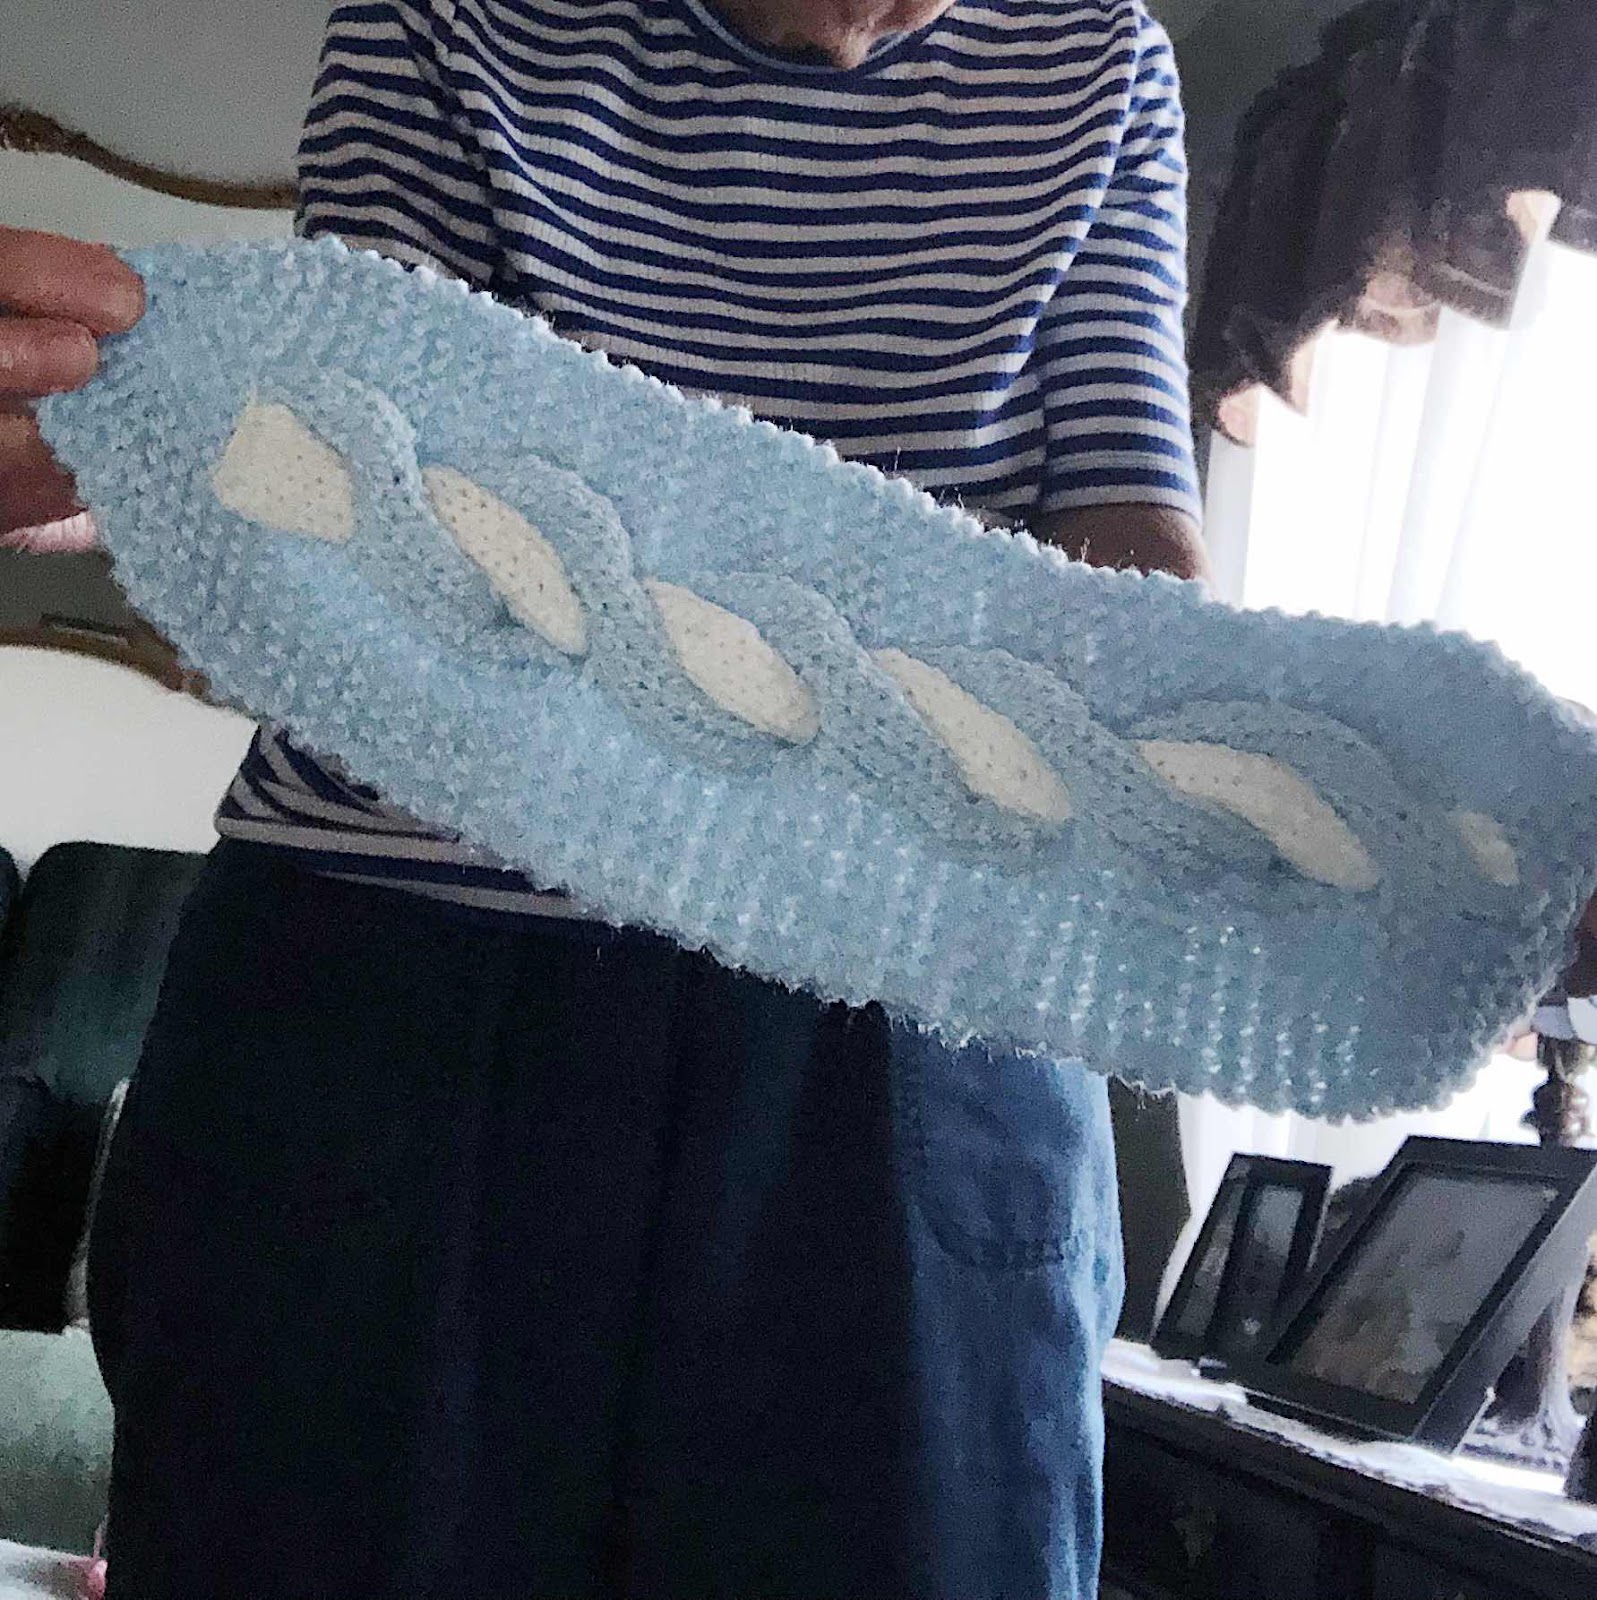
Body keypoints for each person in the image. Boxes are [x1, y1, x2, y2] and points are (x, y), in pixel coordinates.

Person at [3, 4, 1218, 1597]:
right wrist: (148, 457)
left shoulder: (1101, 59)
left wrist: (1278, 762)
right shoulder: (444, 19)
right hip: (398, 997)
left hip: (915, 1010)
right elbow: (375, 506)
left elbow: (1131, 545)